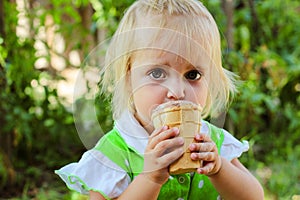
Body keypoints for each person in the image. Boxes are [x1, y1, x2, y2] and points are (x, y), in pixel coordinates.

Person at [55, 0, 264, 199]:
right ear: (128, 77)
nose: (177, 91)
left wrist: (219, 169)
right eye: (157, 73)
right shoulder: (113, 155)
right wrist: (150, 178)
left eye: (193, 75)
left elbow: (255, 197)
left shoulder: (212, 143)